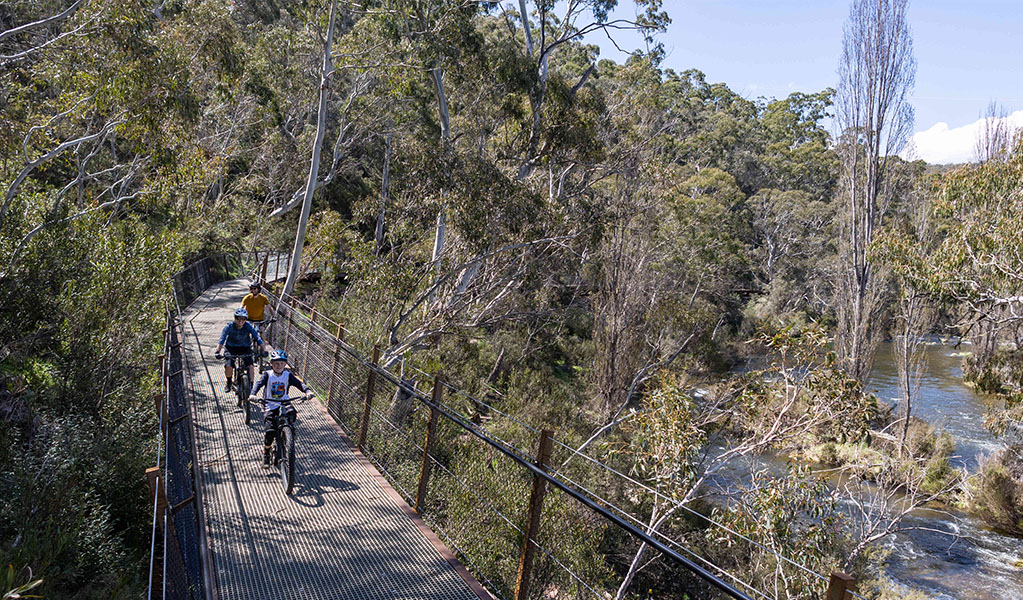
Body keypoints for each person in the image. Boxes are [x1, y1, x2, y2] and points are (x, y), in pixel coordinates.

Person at [249, 350, 315, 468]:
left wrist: (307, 391)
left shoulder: (287, 375)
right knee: (270, 431)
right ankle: (266, 452)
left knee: (292, 413)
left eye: (281, 363)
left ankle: (288, 433)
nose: (279, 366)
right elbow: (258, 384)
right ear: (271, 364)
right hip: (270, 403)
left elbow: (299, 384)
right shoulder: (267, 375)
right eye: (276, 364)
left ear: (285, 364)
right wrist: (253, 394)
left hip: (284, 402)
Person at [214, 307, 270, 396]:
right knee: (229, 365)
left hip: (245, 348)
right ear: (234, 318)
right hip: (231, 348)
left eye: (243, 319)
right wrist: (217, 351)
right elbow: (222, 339)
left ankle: (251, 386)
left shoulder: (248, 326)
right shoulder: (229, 327)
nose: (241, 321)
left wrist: (264, 349)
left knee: (251, 366)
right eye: (238, 319)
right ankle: (229, 382)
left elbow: (257, 338)